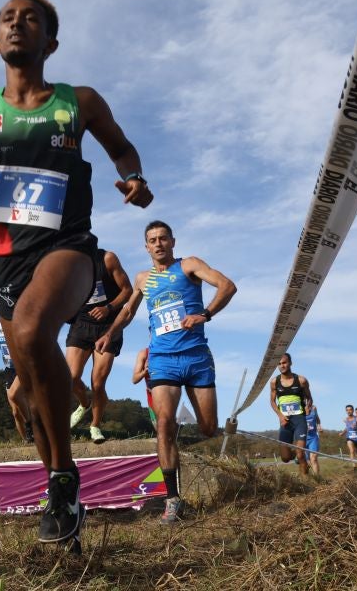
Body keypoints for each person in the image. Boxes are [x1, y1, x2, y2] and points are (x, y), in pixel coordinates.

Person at [0, 0, 153, 544]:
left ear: (51, 42)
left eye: (32, 19)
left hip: (69, 246)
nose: (18, 25)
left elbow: (122, 149)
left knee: (27, 328)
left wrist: (134, 178)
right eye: (7, 19)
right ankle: (62, 502)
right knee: (37, 394)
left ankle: (65, 478)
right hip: (7, 262)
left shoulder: (79, 101)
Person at [96, 220, 236, 524]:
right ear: (146, 247)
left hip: (197, 357)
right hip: (163, 359)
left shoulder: (189, 265)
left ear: (172, 241)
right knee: (163, 423)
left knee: (209, 428)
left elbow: (227, 286)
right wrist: (110, 333)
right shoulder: (143, 279)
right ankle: (172, 500)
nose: (158, 243)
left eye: (162, 238)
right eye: (152, 240)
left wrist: (205, 314)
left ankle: (182, 433)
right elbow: (129, 310)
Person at [66, 248, 133, 444]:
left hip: (109, 325)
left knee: (97, 383)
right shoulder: (65, 264)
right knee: (70, 377)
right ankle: (84, 404)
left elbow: (127, 290)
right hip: (82, 324)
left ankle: (95, 426)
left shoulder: (107, 258)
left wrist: (109, 307)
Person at [0, 320, 34, 443]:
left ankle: (31, 425)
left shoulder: (20, 320)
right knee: (15, 412)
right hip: (9, 370)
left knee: (15, 395)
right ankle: (27, 441)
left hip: (24, 366)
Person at [268, 353, 311, 476]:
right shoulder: (274, 382)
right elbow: (272, 401)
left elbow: (309, 398)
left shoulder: (301, 380)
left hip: (299, 421)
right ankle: (295, 454)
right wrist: (280, 416)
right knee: (285, 458)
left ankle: (306, 482)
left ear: (290, 363)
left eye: (284, 362)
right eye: (279, 363)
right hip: (285, 422)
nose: (282, 365)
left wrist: (308, 407)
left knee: (301, 453)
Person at [132, 347, 157, 431]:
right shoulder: (144, 353)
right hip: (151, 397)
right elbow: (134, 379)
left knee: (166, 424)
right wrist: (145, 371)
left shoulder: (169, 349)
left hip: (167, 394)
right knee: (158, 427)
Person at [339, 404, 357, 469]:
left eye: (350, 410)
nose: (349, 411)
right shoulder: (345, 419)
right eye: (347, 410)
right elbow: (347, 428)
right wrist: (342, 433)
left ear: (353, 410)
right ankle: (354, 467)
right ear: (346, 411)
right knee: (352, 451)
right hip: (350, 438)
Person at [304, 403, 322, 476]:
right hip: (303, 439)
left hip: (313, 438)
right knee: (307, 461)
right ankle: (308, 477)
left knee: (313, 459)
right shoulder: (299, 413)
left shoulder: (313, 410)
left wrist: (319, 426)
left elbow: (317, 419)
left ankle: (317, 479)